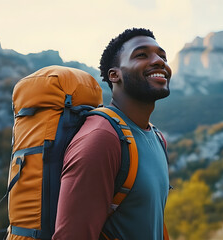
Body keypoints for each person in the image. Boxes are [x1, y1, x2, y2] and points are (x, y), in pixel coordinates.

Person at [52, 28, 172, 240]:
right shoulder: (102, 138)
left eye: (162, 56)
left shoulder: (156, 137)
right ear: (114, 75)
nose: (159, 62)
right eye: (142, 55)